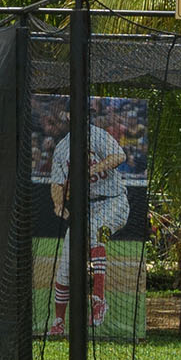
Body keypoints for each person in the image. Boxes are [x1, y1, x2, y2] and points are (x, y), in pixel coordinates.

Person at [48, 105, 130, 332]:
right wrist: (57, 203)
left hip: (114, 201)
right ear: (68, 116)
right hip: (86, 209)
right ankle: (58, 322)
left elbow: (120, 156)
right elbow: (56, 182)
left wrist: (92, 170)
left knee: (96, 230)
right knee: (65, 262)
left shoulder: (97, 135)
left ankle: (99, 299)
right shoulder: (63, 148)